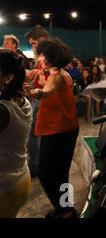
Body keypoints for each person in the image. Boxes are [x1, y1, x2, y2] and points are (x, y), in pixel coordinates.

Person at [28, 38, 79, 218]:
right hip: (67, 128)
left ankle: (64, 209)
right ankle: (66, 209)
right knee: (61, 173)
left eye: (43, 56)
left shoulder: (57, 77)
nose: (41, 59)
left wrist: (25, 90)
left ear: (50, 59)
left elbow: (45, 93)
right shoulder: (61, 74)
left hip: (58, 131)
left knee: (46, 174)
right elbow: (49, 88)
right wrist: (41, 78)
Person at [0, 50, 33, 217]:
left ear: (8, 78)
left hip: (4, 188)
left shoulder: (3, 110)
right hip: (20, 180)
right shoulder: (23, 101)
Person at [24, 25, 50, 178]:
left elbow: (49, 84)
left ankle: (35, 167)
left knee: (33, 134)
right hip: (39, 99)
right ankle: (37, 164)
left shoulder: (48, 57)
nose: (33, 47)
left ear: (42, 41)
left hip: (42, 100)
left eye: (34, 43)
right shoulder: (43, 57)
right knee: (36, 134)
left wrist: (31, 90)